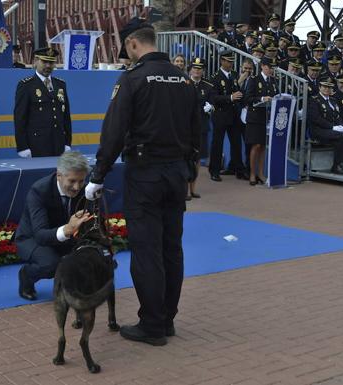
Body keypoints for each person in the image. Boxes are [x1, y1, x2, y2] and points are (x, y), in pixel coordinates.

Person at [85, 17, 200, 346]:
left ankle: (151, 324)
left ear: (133, 43)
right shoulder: (183, 80)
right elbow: (196, 131)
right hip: (176, 173)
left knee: (147, 250)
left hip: (146, 173)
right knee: (171, 248)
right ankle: (166, 319)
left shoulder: (133, 79)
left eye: (126, 48)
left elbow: (114, 131)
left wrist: (98, 175)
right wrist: (190, 168)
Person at [15, 151, 93, 300]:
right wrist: (68, 229)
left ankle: (69, 282)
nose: (77, 187)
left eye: (81, 181)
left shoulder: (85, 189)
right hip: (33, 238)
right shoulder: (39, 191)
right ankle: (26, 275)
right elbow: (40, 235)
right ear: (59, 175)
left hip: (64, 236)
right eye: (72, 181)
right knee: (51, 265)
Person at [13, 47, 72, 158]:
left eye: (51, 62)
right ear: (35, 61)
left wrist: (67, 142)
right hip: (36, 145)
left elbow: (66, 117)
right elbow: (20, 119)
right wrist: (22, 147)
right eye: (44, 62)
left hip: (59, 144)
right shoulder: (26, 85)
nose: (48, 66)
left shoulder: (60, 84)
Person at [308, 77, 343, 174]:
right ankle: (338, 165)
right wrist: (332, 127)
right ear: (319, 87)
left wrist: (341, 125)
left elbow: (338, 115)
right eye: (324, 87)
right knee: (341, 136)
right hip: (319, 130)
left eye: (329, 87)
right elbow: (316, 119)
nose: (327, 89)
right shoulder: (314, 100)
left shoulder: (333, 100)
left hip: (332, 130)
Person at [208, 50, 247, 181]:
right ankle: (214, 170)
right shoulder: (215, 77)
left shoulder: (235, 75)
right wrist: (230, 97)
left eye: (232, 61)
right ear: (222, 61)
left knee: (236, 143)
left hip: (234, 114)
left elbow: (239, 93)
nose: (230, 64)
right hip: (220, 114)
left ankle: (238, 169)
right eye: (228, 61)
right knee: (217, 144)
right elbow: (214, 98)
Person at [244, 57, 278, 185]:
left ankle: (261, 173)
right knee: (256, 145)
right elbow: (248, 98)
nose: (271, 70)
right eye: (269, 67)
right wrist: (262, 98)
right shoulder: (254, 79)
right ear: (263, 66)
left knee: (263, 146)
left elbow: (277, 95)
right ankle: (252, 174)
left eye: (272, 68)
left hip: (267, 117)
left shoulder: (273, 81)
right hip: (255, 117)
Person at [188, 57, 214, 199]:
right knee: (186, 157)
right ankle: (185, 189)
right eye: (195, 68)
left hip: (201, 126)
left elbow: (213, 102)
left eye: (200, 69)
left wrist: (211, 107)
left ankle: (193, 188)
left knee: (197, 159)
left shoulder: (207, 86)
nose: (197, 71)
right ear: (191, 69)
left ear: (203, 71)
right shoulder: (184, 83)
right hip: (186, 126)